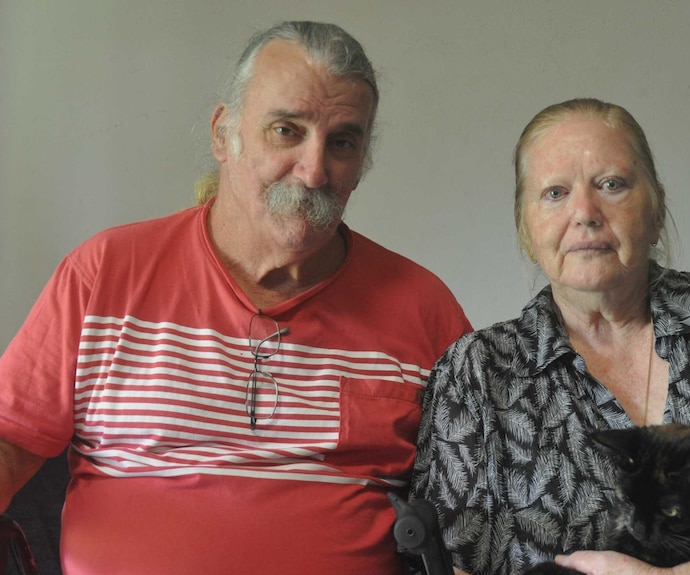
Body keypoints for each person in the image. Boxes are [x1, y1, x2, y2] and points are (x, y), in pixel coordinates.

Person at [0, 21, 472, 575]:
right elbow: (11, 441)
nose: (314, 170)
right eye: (286, 131)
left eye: (342, 141)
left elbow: (481, 496)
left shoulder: (424, 308)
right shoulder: (104, 274)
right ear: (223, 134)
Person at [410, 98, 690, 575]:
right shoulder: (476, 373)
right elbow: (441, 565)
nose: (585, 212)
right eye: (555, 193)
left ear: (656, 207)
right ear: (526, 227)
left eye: (612, 184)